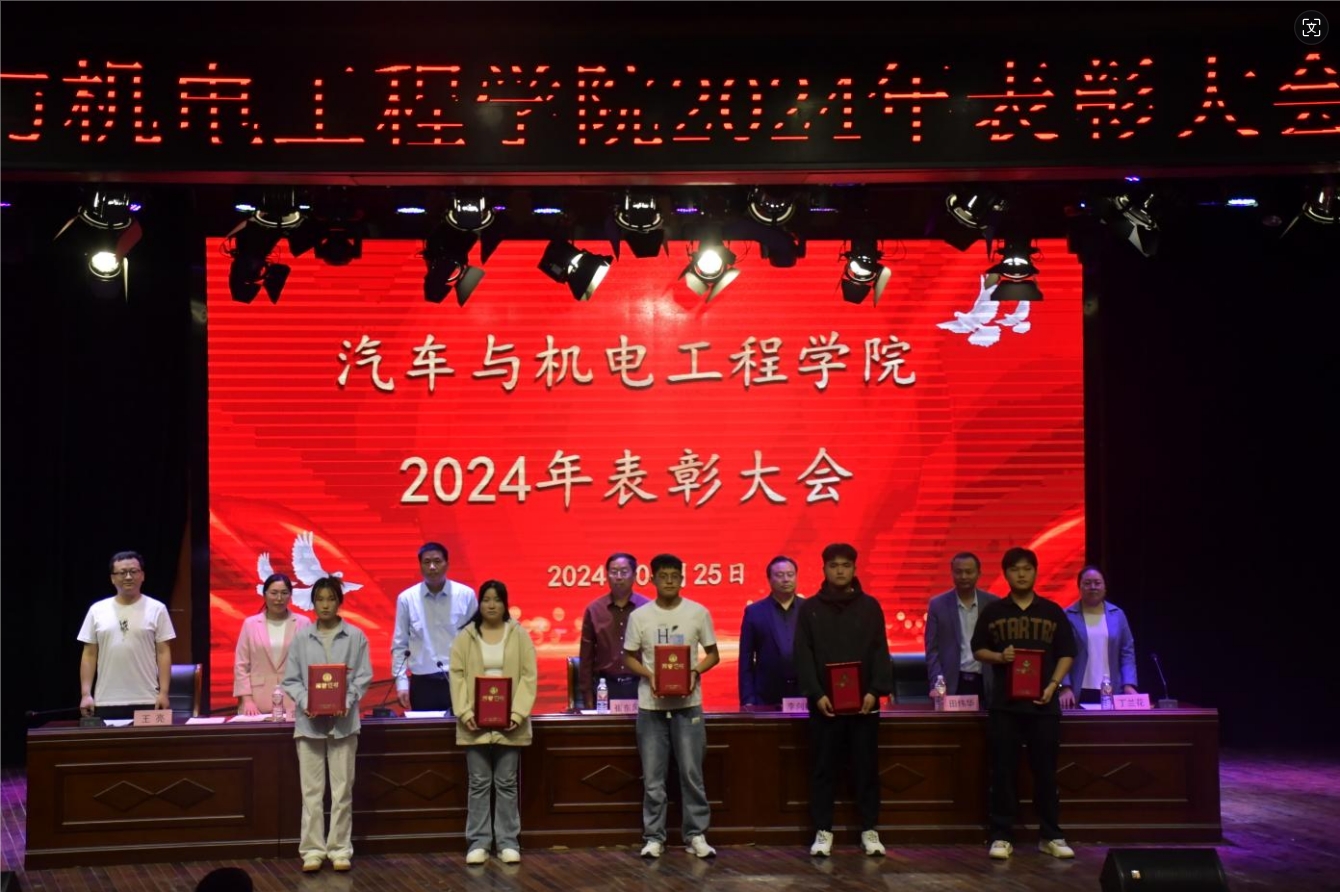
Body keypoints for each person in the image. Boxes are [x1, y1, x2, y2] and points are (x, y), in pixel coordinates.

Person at [970, 547, 1077, 862]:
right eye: (1015, 569)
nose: (1021, 574)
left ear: (1035, 572)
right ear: (1005, 574)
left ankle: (1051, 835)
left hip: (1044, 705)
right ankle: (1001, 835)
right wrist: (999, 657)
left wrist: (1053, 685)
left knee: (1046, 771)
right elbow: (977, 650)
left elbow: (1067, 653)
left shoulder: (1052, 611)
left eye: (1027, 568)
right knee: (1003, 771)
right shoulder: (993, 611)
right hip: (1004, 706)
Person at [793, 543, 893, 858]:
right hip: (825, 707)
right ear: (824, 569)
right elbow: (803, 656)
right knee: (823, 770)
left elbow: (880, 651)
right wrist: (816, 694)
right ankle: (823, 831)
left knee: (866, 769)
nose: (840, 570)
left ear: (854, 569)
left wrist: (874, 691)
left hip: (864, 706)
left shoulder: (870, 606)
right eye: (834, 565)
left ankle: (869, 830)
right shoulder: (809, 609)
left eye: (845, 565)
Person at [623, 553, 721, 859]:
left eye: (674, 576)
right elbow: (628, 658)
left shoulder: (698, 613)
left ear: (682, 579)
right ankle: (654, 837)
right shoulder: (640, 616)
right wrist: (650, 675)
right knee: (653, 778)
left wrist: (694, 672)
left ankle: (696, 835)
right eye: (663, 576)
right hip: (650, 707)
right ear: (652, 579)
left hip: (688, 705)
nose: (669, 581)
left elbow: (713, 654)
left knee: (692, 774)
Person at [282, 576, 373, 873]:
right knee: (311, 792)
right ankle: (312, 850)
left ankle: (339, 849)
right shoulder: (301, 638)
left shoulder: (355, 636)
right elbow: (291, 680)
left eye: (330, 599)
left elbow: (363, 676)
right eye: (319, 599)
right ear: (312, 603)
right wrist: (306, 701)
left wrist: (347, 699)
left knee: (342, 790)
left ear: (339, 602)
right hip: (309, 726)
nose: (325, 605)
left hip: (344, 724)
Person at [449, 580, 538, 865]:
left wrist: (517, 714)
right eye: (486, 599)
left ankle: (508, 842)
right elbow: (457, 676)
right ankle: (478, 842)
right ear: (479, 603)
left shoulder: (519, 634)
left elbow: (529, 676)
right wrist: (465, 713)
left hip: (510, 722)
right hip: (474, 722)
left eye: (497, 599)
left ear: (505, 603)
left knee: (506, 782)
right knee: (478, 782)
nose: (491, 605)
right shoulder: (466, 636)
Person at [78, 551, 176, 719]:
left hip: (148, 699)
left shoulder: (157, 609)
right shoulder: (97, 610)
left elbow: (163, 652)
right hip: (106, 700)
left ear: (142, 576)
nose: (128, 577)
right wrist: (86, 694)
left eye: (133, 571)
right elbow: (89, 654)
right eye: (122, 572)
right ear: (112, 578)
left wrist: (164, 693)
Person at [391, 542, 478, 713]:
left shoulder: (466, 595)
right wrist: (401, 683)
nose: (432, 566)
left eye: (437, 561)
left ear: (447, 564)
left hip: (459, 679)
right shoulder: (407, 598)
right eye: (427, 562)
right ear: (420, 566)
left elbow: (475, 640)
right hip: (422, 683)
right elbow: (400, 644)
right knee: (425, 729)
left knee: (461, 728)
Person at [1058, 566, 1138, 708]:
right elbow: (1060, 653)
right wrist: (1065, 686)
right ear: (1079, 587)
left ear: (1105, 587)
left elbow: (1127, 653)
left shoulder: (1117, 614)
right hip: (1076, 691)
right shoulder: (1067, 616)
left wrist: (1129, 684)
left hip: (1111, 690)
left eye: (1097, 583)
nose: (1093, 587)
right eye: (1087, 583)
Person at [234, 572, 312, 716]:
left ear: (290, 595)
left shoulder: (303, 623)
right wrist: (247, 700)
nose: (279, 598)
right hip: (257, 703)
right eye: (274, 593)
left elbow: (309, 664)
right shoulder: (250, 624)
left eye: (284, 593)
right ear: (264, 595)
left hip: (294, 700)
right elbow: (241, 666)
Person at [578, 552, 649, 708]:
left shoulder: (648, 608)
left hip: (641, 686)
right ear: (607, 575)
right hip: (605, 688)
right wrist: (588, 698)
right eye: (614, 572)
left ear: (634, 575)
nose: (618, 577)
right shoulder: (594, 610)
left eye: (624, 572)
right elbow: (586, 657)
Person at [925, 552, 999, 700]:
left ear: (979, 573)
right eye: (958, 572)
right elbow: (932, 650)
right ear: (952, 573)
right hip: (953, 682)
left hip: (986, 681)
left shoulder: (993, 604)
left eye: (969, 572)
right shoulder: (937, 605)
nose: (964, 576)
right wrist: (937, 684)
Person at [738, 555, 803, 708]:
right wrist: (748, 699)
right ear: (769, 579)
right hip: (766, 697)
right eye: (779, 575)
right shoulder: (754, 612)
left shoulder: (809, 609)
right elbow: (746, 659)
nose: (786, 579)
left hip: (804, 694)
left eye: (790, 574)